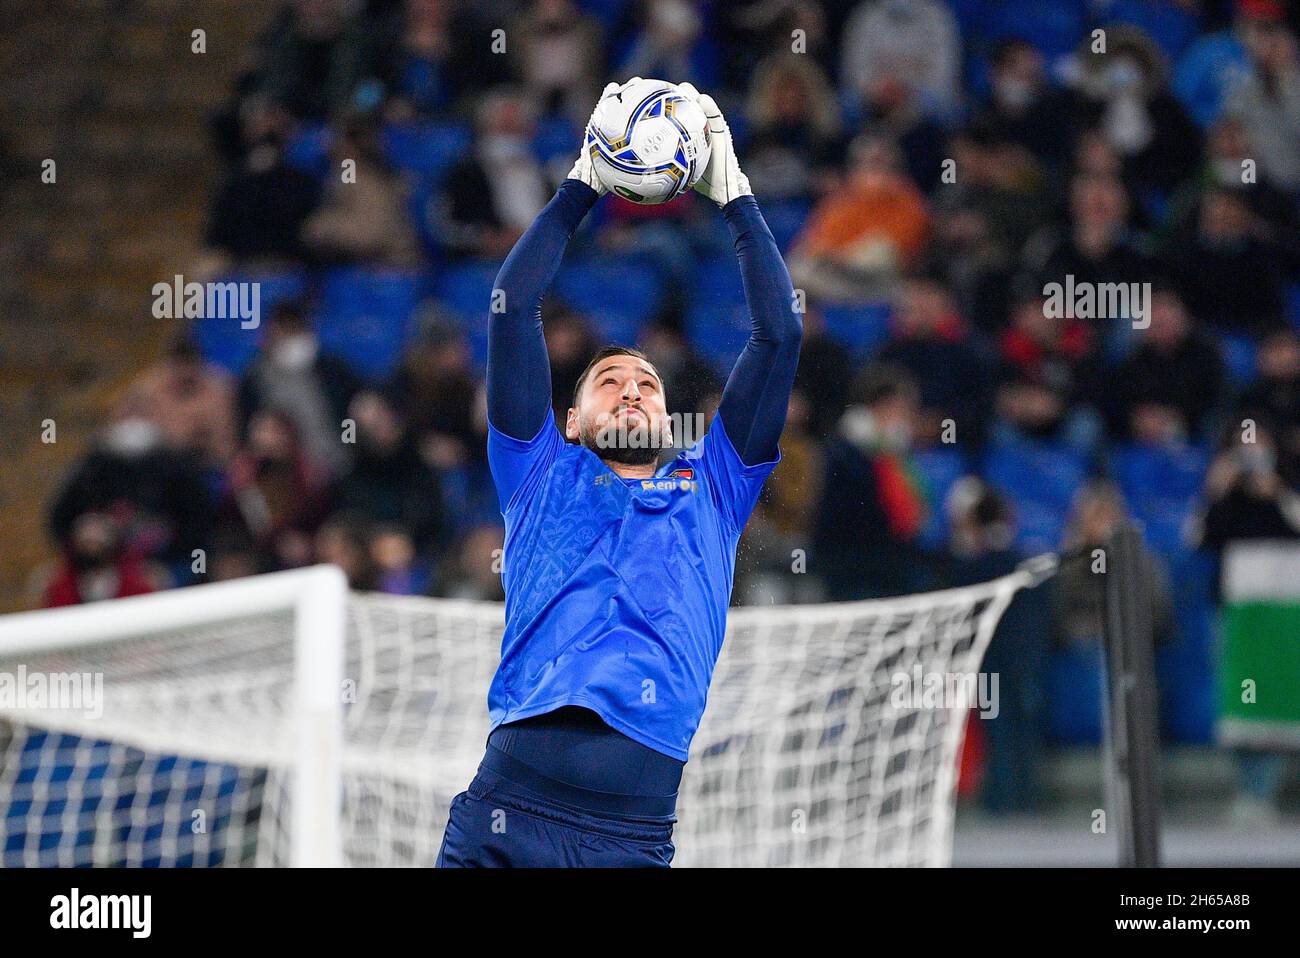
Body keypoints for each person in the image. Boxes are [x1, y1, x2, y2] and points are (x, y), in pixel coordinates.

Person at [436, 81, 802, 867]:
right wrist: (579, 187)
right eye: (609, 382)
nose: (633, 389)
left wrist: (733, 195)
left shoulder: (716, 485)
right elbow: (510, 306)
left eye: (647, 383)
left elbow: (778, 334)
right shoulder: (535, 471)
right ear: (571, 422)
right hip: (505, 806)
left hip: (627, 837)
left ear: (670, 418)